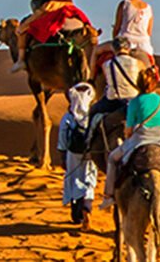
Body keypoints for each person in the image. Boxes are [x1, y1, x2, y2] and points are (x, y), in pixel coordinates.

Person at [100, 67, 160, 210]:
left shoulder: (134, 102)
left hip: (139, 139)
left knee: (112, 158)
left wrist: (127, 136)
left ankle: (108, 196)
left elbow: (129, 129)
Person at [89, 0, 154, 72]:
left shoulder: (125, 4)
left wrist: (115, 39)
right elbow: (149, 32)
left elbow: (116, 28)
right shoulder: (149, 8)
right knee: (152, 68)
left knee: (96, 51)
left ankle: (90, 79)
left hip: (124, 43)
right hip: (144, 46)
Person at [59, 82, 98, 231]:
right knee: (89, 180)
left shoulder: (68, 117)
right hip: (90, 154)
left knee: (74, 180)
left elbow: (62, 138)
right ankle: (87, 209)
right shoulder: (92, 117)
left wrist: (62, 156)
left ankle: (76, 214)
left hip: (72, 154)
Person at [89, 37, 142, 116]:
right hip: (134, 100)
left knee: (92, 112)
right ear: (128, 48)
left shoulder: (106, 65)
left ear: (114, 49)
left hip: (113, 101)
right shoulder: (139, 63)